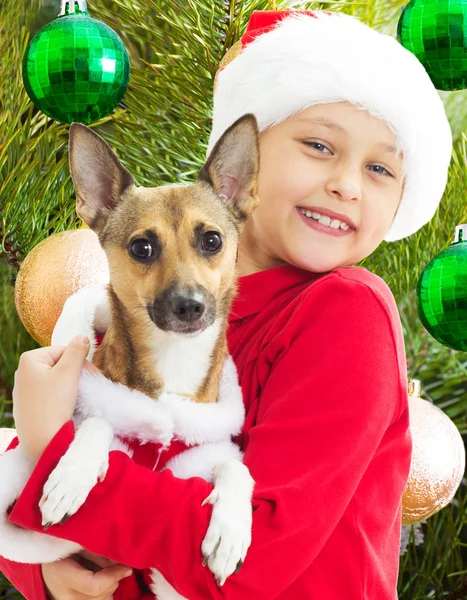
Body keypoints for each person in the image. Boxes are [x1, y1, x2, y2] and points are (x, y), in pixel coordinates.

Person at [0, 8, 452, 600]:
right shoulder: (148, 307)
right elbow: (117, 483)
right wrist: (46, 570)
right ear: (244, 167)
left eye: (380, 169)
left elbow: (247, 560)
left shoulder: (347, 312)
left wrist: (48, 447)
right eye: (319, 145)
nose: (347, 184)